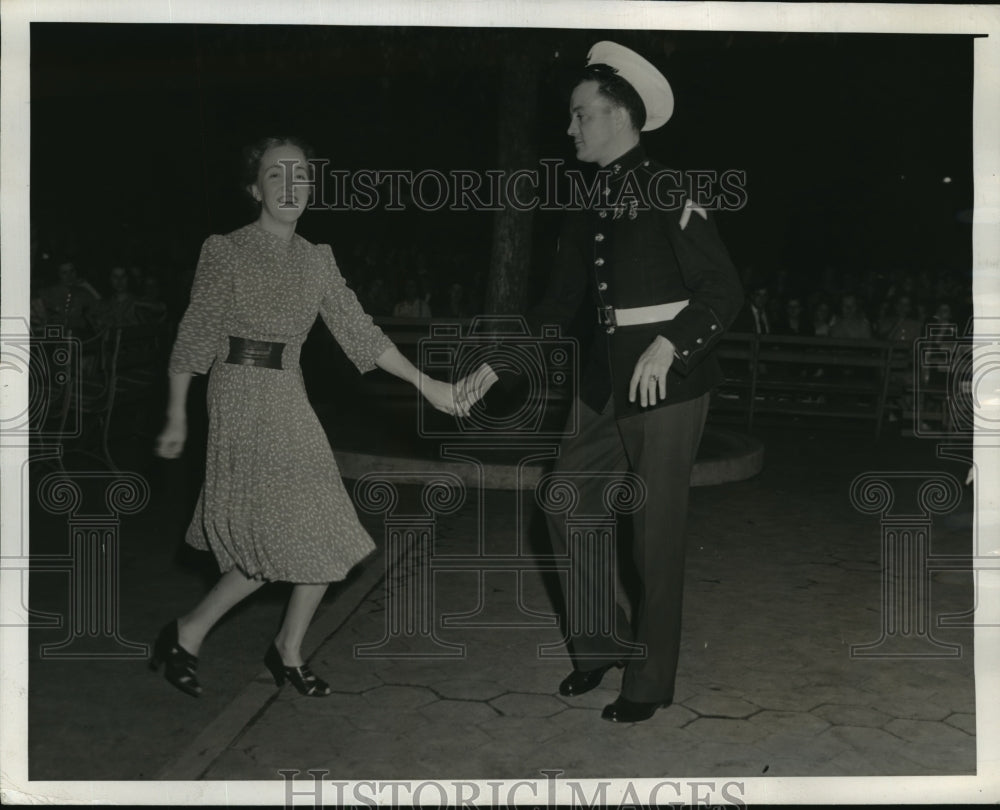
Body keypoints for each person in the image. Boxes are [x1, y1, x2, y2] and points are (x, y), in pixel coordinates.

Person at [460, 42, 743, 723]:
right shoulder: (588, 200)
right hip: (603, 382)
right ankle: (600, 645)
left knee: (654, 534)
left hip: (667, 386)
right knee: (562, 499)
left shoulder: (669, 190)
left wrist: (671, 345)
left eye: (581, 115)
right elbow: (560, 305)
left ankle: (648, 682)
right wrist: (499, 361)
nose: (571, 128)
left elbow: (723, 291)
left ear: (618, 117)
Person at [151, 136, 466, 699]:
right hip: (239, 395)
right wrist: (176, 414)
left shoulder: (317, 259)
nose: (291, 185)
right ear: (255, 189)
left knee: (322, 530)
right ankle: (209, 637)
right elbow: (197, 332)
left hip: (288, 396)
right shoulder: (226, 249)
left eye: (301, 175)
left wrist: (428, 384)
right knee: (273, 534)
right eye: (277, 175)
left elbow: (360, 331)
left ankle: (248, 642)